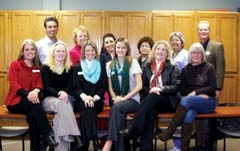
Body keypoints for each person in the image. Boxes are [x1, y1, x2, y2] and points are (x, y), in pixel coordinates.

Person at [120, 40, 181, 151]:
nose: (160, 51)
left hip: (169, 101)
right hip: (151, 101)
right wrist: (152, 91)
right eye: (158, 49)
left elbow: (176, 87)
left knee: (153, 96)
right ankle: (146, 148)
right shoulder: (146, 66)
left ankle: (134, 126)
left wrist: (161, 89)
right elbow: (143, 87)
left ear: (167, 53)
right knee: (150, 112)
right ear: (154, 51)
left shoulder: (172, 67)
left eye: (163, 50)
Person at [157, 42, 217, 151]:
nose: (196, 55)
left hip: (208, 102)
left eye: (199, 53)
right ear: (190, 55)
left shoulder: (209, 67)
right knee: (188, 116)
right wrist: (194, 96)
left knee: (188, 100)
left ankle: (169, 131)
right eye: (194, 53)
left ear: (202, 54)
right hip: (191, 103)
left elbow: (213, 87)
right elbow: (182, 89)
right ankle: (184, 148)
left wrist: (196, 93)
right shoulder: (186, 70)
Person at [5, 39, 58, 151]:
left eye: (32, 49)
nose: (30, 51)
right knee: (35, 103)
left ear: (36, 51)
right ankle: (48, 133)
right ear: (23, 52)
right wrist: (28, 94)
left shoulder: (38, 67)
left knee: (33, 116)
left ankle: (35, 148)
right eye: (27, 49)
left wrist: (36, 91)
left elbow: (40, 83)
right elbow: (14, 83)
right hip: (16, 102)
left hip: (31, 102)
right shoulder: (15, 64)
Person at [41, 42, 84, 151]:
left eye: (63, 51)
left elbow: (71, 86)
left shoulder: (70, 68)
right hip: (49, 99)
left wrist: (64, 93)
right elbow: (47, 87)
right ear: (53, 53)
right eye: (58, 51)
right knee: (62, 105)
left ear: (66, 54)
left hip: (66, 98)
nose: (61, 53)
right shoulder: (46, 67)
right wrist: (58, 93)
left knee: (61, 116)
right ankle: (76, 136)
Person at [102, 37, 142, 151]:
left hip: (133, 100)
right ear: (115, 49)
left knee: (117, 107)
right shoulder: (109, 64)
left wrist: (123, 98)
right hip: (117, 99)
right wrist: (115, 98)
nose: (120, 50)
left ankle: (109, 142)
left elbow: (139, 85)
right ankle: (121, 148)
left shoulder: (132, 62)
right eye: (118, 47)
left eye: (123, 47)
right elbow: (110, 86)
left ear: (127, 49)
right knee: (118, 111)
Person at [192, 20, 226, 151]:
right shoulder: (196, 47)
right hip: (199, 89)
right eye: (201, 29)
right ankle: (200, 144)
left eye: (205, 29)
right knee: (199, 118)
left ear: (209, 31)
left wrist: (218, 88)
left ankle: (210, 146)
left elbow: (220, 69)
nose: (203, 31)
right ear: (198, 31)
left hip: (212, 89)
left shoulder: (217, 46)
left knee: (210, 119)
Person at [72, 40, 107, 151]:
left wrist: (94, 98)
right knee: (88, 108)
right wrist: (85, 97)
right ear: (84, 52)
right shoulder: (77, 67)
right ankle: (95, 140)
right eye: (87, 50)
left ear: (95, 52)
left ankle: (84, 144)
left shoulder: (101, 66)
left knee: (89, 109)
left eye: (92, 50)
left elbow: (103, 86)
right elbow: (76, 87)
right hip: (81, 100)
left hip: (96, 100)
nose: (90, 52)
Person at [169, 32, 188, 151]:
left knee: (181, 118)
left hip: (182, 91)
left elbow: (187, 74)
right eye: (172, 40)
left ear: (182, 42)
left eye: (177, 40)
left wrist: (183, 93)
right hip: (173, 91)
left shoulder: (186, 55)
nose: (174, 42)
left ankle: (180, 146)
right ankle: (176, 145)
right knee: (175, 118)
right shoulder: (171, 54)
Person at [99, 33, 116, 105]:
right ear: (104, 45)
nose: (109, 44)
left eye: (111, 41)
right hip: (109, 88)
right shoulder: (102, 57)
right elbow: (102, 76)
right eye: (106, 42)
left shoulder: (121, 54)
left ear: (115, 42)